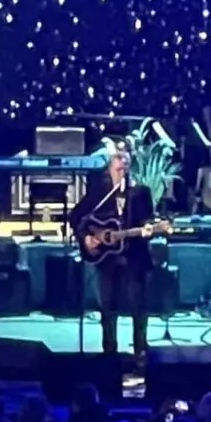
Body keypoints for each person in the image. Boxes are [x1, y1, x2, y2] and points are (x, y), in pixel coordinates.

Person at [72, 144, 154, 363]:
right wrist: (87, 238)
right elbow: (76, 216)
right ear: (109, 166)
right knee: (108, 307)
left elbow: (148, 221)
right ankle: (109, 353)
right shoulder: (99, 192)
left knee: (138, 306)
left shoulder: (141, 192)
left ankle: (140, 351)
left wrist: (148, 230)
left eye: (126, 159)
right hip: (106, 259)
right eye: (118, 159)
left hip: (134, 256)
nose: (123, 163)